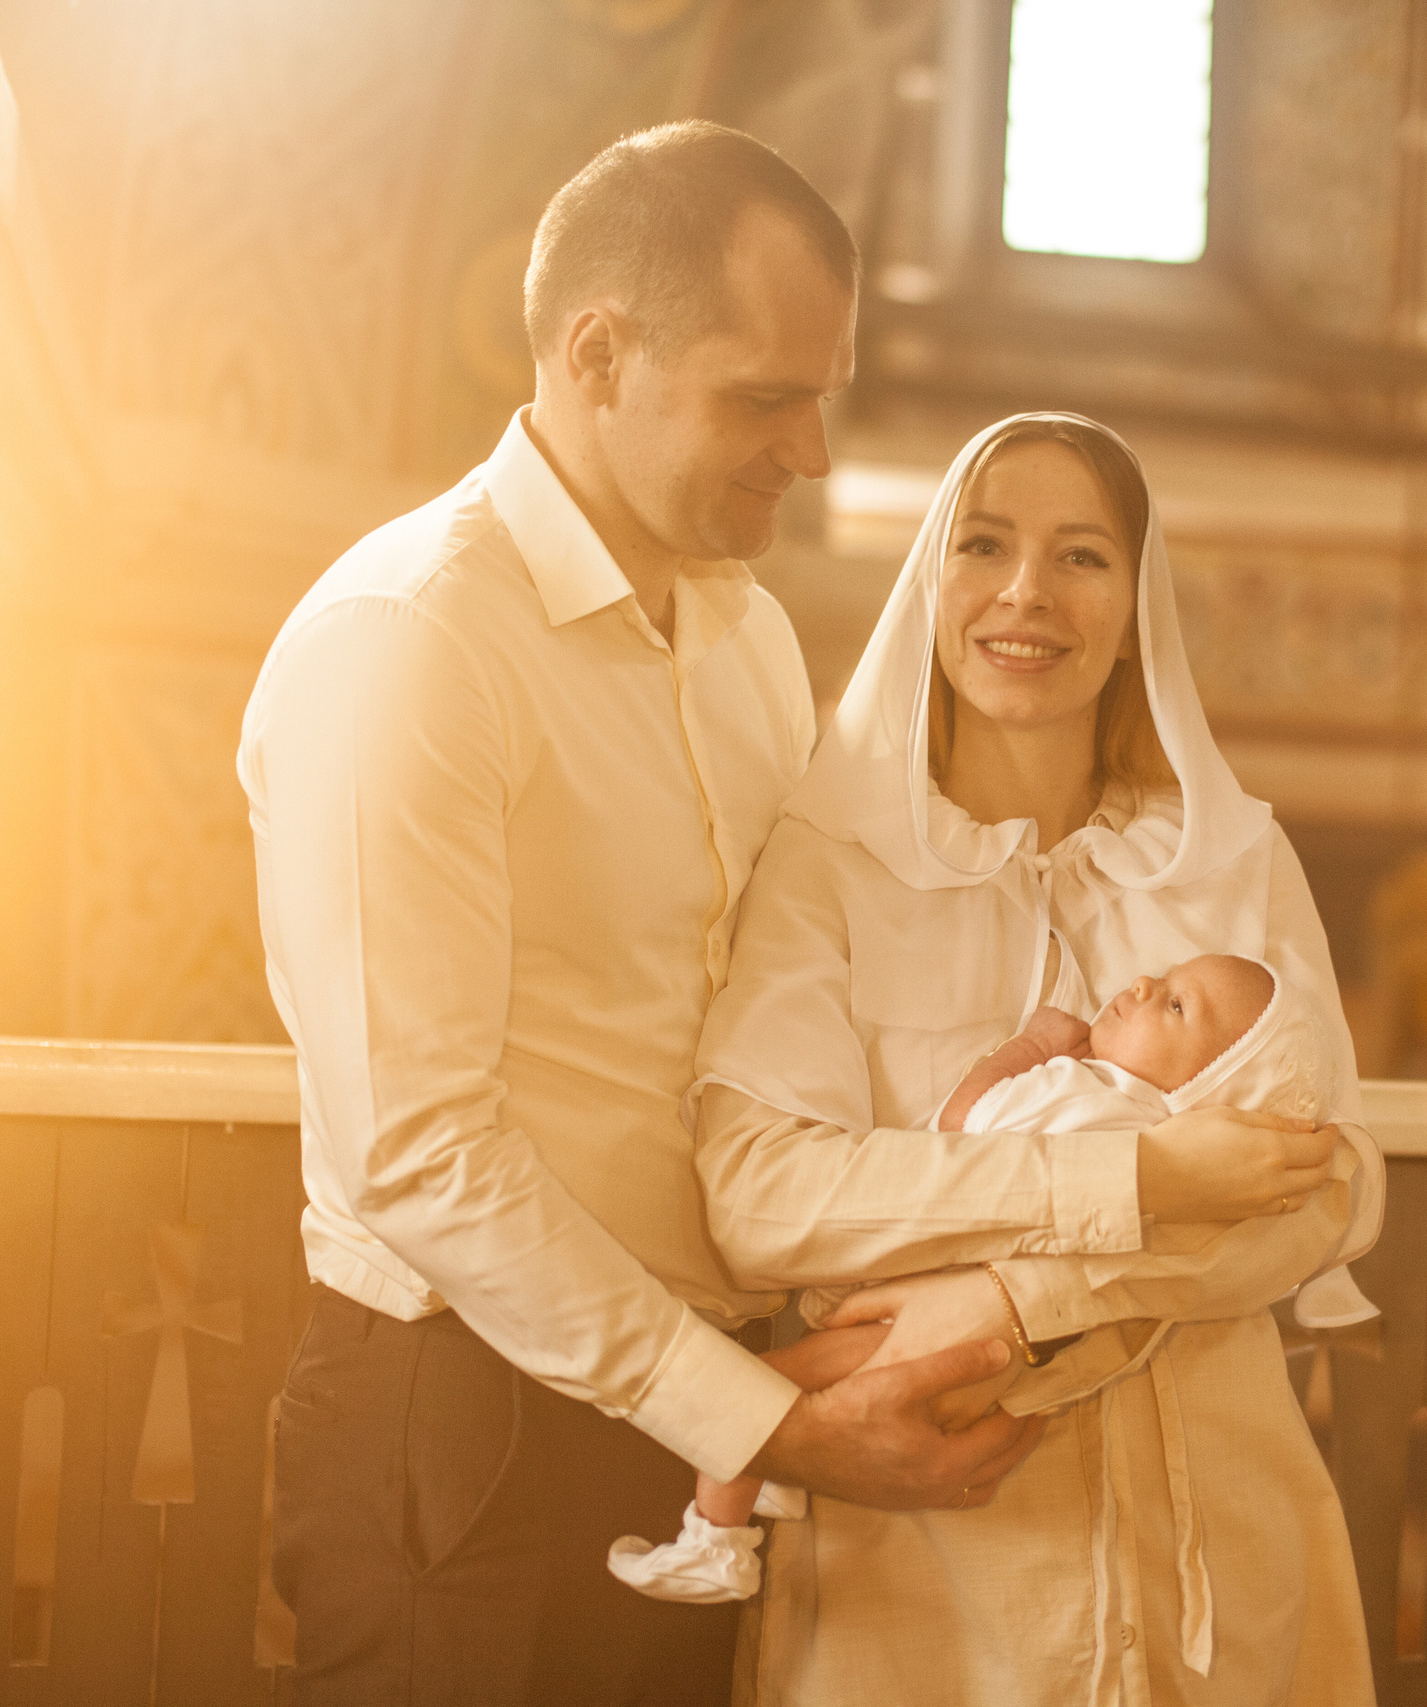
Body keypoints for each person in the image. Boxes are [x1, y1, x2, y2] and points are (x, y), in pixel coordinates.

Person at [236, 123, 1059, 1704]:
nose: (810, 450)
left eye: (822, 395)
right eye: (765, 395)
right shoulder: (409, 642)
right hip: (462, 1416)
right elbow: (419, 1148)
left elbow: (797, 1003)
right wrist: (758, 1418)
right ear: (598, 354)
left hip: (704, 1411)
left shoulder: (744, 637)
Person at [691, 412, 1384, 1705]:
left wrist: (1010, 1302)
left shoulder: (1231, 859)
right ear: (930, 580)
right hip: (932, 1569)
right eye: (986, 544)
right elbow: (759, 1197)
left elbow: (1333, 1186)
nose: (1027, 593)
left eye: (1081, 556)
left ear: (1136, 604)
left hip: (1223, 1554)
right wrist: (1138, 1181)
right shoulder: (831, 863)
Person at [609, 953, 1375, 1606]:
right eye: (1166, 977)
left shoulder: (1084, 1100)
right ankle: (758, 1499)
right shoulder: (1176, 1151)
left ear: (1209, 1089)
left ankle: (713, 1541)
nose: (1142, 982)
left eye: (1176, 1004)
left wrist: (1031, 1046)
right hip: (982, 1358)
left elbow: (964, 1124)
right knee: (776, 1403)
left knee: (749, 1400)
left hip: (910, 1334)